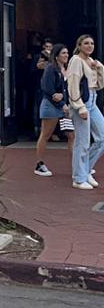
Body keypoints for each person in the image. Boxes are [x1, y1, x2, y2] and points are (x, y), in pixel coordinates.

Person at [67, 33, 103, 190]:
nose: (90, 46)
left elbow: (99, 85)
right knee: (82, 142)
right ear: (79, 45)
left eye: (92, 43)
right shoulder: (76, 61)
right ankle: (79, 178)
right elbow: (73, 85)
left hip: (93, 100)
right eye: (86, 43)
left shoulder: (91, 62)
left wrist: (99, 68)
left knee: (102, 138)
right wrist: (79, 106)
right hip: (82, 101)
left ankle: (86, 170)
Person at [34, 44, 70, 177]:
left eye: (67, 53)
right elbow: (48, 89)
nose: (66, 55)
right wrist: (61, 101)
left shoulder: (66, 69)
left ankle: (78, 164)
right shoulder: (50, 68)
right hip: (51, 106)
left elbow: (67, 89)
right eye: (63, 53)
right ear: (56, 56)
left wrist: (64, 98)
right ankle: (39, 164)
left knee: (71, 135)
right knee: (46, 134)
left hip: (64, 107)